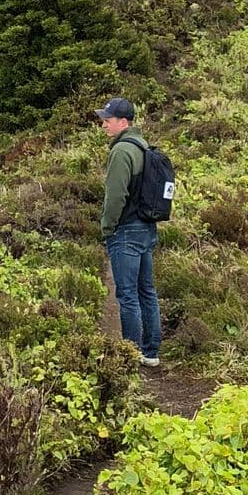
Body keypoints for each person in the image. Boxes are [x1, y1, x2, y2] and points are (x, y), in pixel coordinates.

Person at [96, 96, 161, 367]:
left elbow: (115, 196)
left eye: (107, 121)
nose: (103, 126)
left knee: (127, 294)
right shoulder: (143, 146)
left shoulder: (122, 151)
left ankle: (130, 355)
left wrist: (107, 228)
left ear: (123, 122)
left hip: (126, 231)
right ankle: (150, 352)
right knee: (146, 290)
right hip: (146, 228)